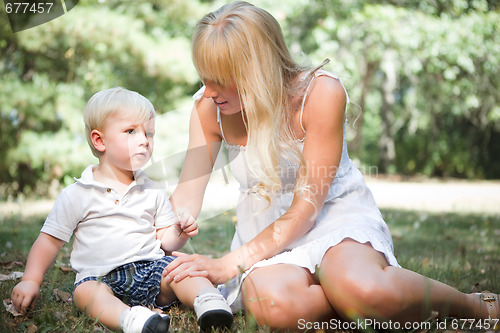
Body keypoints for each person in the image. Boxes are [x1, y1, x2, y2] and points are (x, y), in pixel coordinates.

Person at [164, 1, 500, 330]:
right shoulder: (209, 108)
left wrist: (230, 264)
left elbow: (306, 210)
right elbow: (186, 198)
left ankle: (474, 306)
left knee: (365, 290)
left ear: (257, 70)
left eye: (220, 79)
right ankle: (346, 305)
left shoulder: (320, 92)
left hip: (330, 215)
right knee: (276, 308)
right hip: (262, 229)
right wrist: (161, 229)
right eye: (204, 77)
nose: (208, 91)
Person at [10, 87, 233, 333]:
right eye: (131, 131)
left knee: (181, 270)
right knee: (85, 293)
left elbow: (164, 240)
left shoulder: (152, 189)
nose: (144, 140)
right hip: (100, 277)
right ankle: (132, 320)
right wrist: (30, 280)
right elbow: (48, 242)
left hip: (150, 268)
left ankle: (208, 301)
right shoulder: (78, 194)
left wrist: (179, 232)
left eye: (149, 133)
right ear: (100, 140)